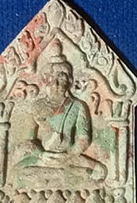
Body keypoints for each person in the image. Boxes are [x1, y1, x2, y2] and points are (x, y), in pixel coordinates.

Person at [15, 40, 107, 181]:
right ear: (45, 81)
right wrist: (41, 154)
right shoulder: (36, 106)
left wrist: (69, 155)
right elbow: (28, 140)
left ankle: (59, 175)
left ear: (69, 81)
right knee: (20, 172)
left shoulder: (78, 106)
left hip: (69, 156)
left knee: (100, 171)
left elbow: (83, 140)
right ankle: (65, 176)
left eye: (61, 78)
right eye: (51, 78)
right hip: (44, 158)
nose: (56, 83)